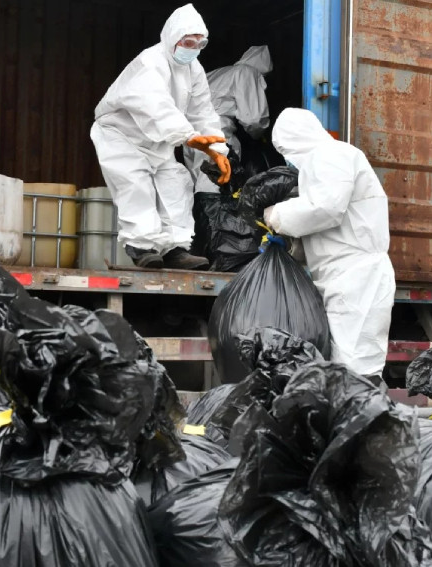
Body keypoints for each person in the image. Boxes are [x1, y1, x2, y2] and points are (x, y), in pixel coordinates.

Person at [90, 4, 231, 270]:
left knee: (175, 184)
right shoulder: (150, 62)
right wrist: (187, 135)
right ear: (173, 37)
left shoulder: (194, 69)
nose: (193, 49)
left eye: (200, 44)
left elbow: (203, 112)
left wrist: (217, 152)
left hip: (158, 139)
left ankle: (175, 249)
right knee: (136, 185)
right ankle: (141, 246)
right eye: (188, 42)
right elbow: (155, 106)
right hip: (121, 133)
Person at [262, 108, 395, 377]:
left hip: (359, 278)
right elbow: (329, 233)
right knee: (340, 366)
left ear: (295, 139)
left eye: (284, 149)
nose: (287, 158)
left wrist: (276, 215)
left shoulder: (332, 155)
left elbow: (326, 209)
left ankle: (364, 405)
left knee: (355, 368)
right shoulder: (319, 163)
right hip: (343, 277)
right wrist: (293, 248)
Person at [184, 45, 273, 193]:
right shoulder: (247, 72)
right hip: (214, 132)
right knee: (214, 182)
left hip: (190, 130)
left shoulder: (220, 73)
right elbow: (253, 119)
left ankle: (199, 207)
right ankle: (211, 208)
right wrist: (257, 135)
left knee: (196, 181)